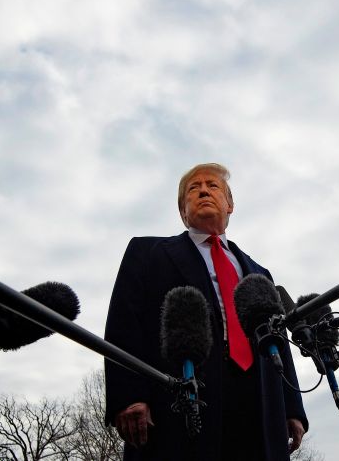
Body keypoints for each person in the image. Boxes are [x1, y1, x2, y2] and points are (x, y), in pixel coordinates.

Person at [104, 163, 308, 461]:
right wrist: (129, 395)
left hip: (258, 405)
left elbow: (276, 340)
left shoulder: (260, 273)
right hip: (181, 399)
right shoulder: (147, 253)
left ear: (230, 204)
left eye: (212, 186)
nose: (202, 191)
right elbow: (124, 325)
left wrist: (291, 408)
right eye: (192, 188)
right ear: (182, 211)